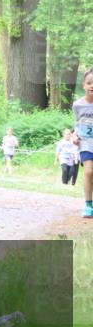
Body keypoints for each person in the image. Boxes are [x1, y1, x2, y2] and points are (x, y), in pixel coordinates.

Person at [74, 68, 93, 218]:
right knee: (88, 172)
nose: (92, 85)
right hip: (86, 143)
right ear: (84, 85)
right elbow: (77, 123)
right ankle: (88, 205)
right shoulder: (77, 105)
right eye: (89, 83)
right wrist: (75, 135)